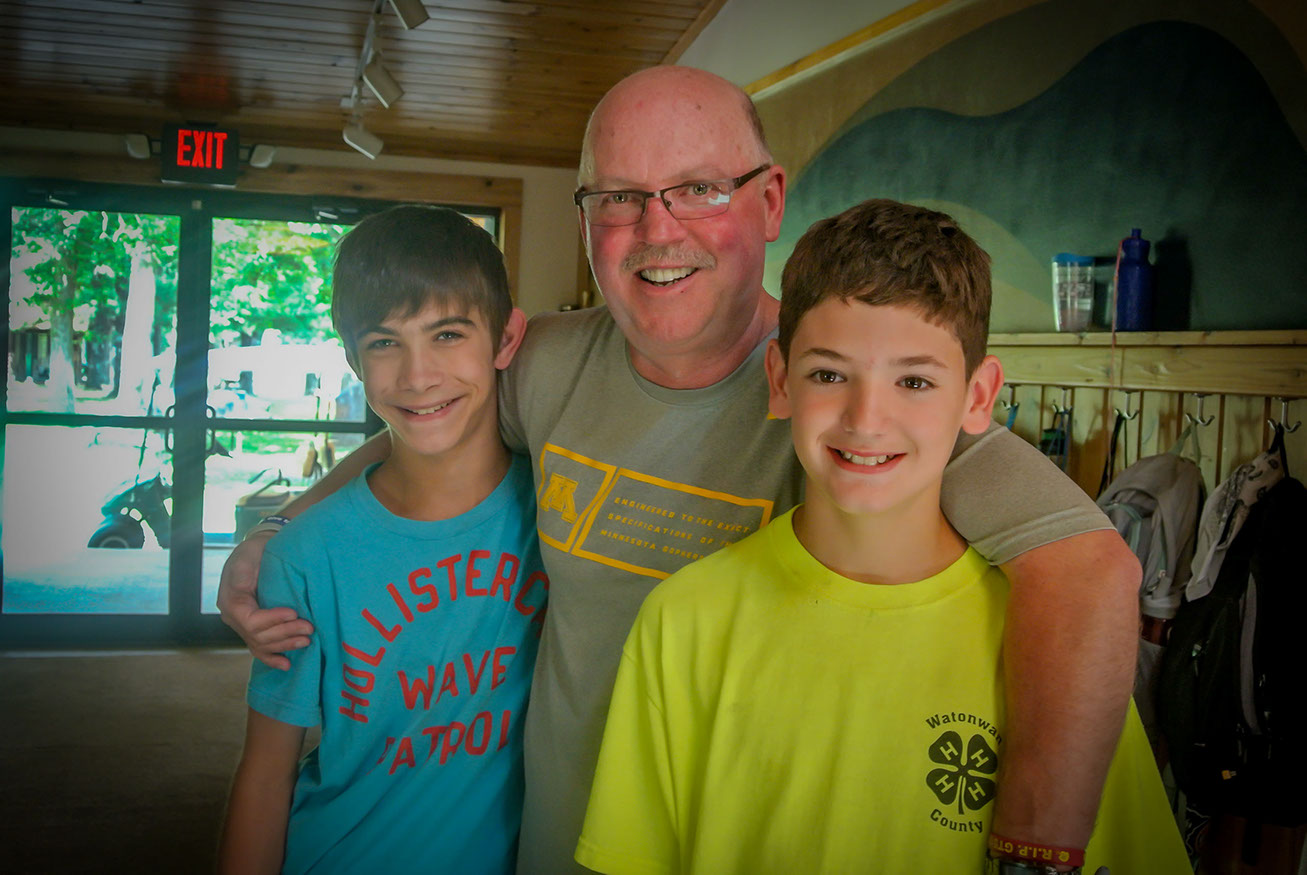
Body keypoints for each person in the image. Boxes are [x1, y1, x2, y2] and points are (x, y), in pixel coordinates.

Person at [218, 67, 1140, 874]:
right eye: (618, 197)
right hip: (544, 841)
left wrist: (1030, 849)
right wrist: (275, 531)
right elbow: (419, 420)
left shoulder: (847, 399)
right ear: (585, 222)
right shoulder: (540, 360)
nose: (656, 228)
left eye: (697, 188)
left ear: (770, 201)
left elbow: (1087, 568)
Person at [575, 198, 1188, 874]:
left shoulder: (1052, 651)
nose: (866, 418)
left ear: (978, 398)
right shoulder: (685, 619)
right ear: (779, 381)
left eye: (915, 380)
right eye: (829, 374)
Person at [217, 206, 546, 874]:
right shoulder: (305, 554)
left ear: (505, 339)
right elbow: (265, 775)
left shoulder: (560, 512)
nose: (417, 375)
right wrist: (276, 525)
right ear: (352, 358)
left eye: (448, 333)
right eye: (384, 342)